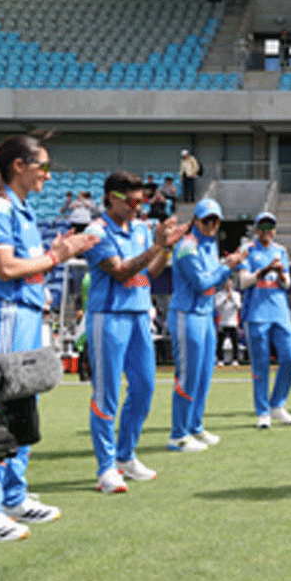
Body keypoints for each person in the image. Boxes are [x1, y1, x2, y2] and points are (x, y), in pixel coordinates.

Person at [0, 130, 99, 541]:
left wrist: (53, 254)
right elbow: (5, 268)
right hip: (5, 316)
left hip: (24, 314)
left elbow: (28, 268)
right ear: (19, 166)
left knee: (23, 408)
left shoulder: (17, 211)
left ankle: (12, 496)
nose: (48, 176)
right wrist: (59, 254)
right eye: (43, 166)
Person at [83, 170, 187, 494]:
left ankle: (125, 455)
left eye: (140, 200)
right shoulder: (96, 231)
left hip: (140, 314)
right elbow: (122, 271)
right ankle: (106, 469)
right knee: (107, 395)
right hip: (108, 317)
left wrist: (165, 248)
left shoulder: (141, 229)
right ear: (111, 198)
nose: (136, 207)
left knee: (144, 388)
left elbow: (151, 272)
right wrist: (155, 246)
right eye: (130, 200)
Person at [168, 198, 247, 451]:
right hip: (186, 314)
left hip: (204, 314)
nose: (211, 225)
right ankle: (178, 434)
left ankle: (195, 426)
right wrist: (228, 267)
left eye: (215, 220)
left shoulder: (210, 245)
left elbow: (213, 278)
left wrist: (227, 265)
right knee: (187, 375)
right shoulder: (187, 247)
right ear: (195, 221)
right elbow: (202, 283)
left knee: (203, 375)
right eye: (206, 220)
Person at [239, 211, 291, 429]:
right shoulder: (248, 250)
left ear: (275, 230)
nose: (266, 232)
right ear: (256, 230)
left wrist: (281, 274)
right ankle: (263, 412)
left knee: (290, 358)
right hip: (256, 314)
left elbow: (288, 283)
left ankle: (277, 405)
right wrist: (265, 271)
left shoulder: (280, 251)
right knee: (261, 365)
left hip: (280, 313)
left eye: (270, 227)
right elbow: (244, 281)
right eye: (262, 227)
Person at [215, 276, 242, 365]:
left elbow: (239, 306)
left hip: (233, 322)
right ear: (223, 284)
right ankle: (220, 360)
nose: (227, 285)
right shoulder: (219, 294)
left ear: (232, 284)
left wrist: (232, 298)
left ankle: (235, 360)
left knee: (235, 342)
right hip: (222, 321)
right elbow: (217, 307)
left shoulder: (236, 294)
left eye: (229, 284)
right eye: (226, 283)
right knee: (220, 342)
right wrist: (225, 300)